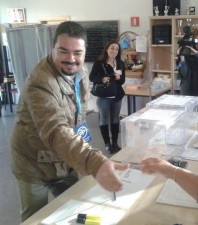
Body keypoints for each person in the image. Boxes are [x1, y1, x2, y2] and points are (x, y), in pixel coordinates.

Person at [10, 21, 127, 221]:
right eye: (63, 51)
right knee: (35, 218)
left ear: (84, 52)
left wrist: (81, 153)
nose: (71, 59)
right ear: (53, 49)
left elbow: (77, 117)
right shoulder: (40, 83)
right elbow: (56, 131)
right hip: (33, 164)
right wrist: (95, 162)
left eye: (77, 52)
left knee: (73, 209)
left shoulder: (79, 73)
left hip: (65, 158)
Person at [89, 41, 125, 154]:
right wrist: (101, 79)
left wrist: (119, 78)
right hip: (104, 96)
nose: (114, 51)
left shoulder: (120, 63)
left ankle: (115, 143)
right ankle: (107, 144)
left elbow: (123, 81)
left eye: (117, 49)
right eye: (112, 48)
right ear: (107, 49)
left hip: (117, 96)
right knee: (104, 119)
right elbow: (91, 77)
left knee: (115, 119)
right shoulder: (99, 63)